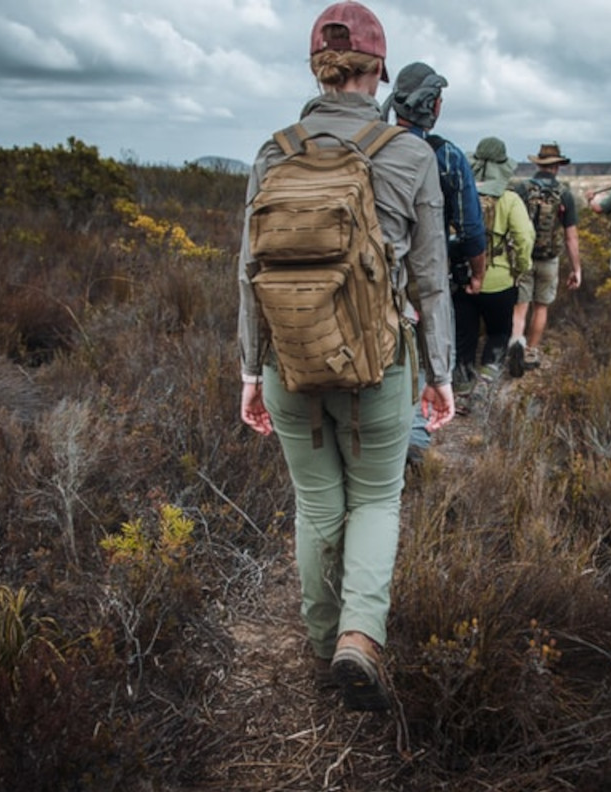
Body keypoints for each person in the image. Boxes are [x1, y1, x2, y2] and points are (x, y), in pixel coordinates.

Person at [238, 0, 455, 712]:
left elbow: (248, 273)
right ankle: (359, 639)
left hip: (287, 365)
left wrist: (249, 369)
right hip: (378, 364)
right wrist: (442, 372)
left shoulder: (273, 152)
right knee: (375, 498)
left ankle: (318, 635)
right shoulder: (409, 153)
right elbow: (430, 277)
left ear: (317, 67)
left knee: (316, 503)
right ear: (378, 70)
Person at [380, 61, 486, 464]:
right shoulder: (447, 157)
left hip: (374, 278)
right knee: (424, 362)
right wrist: (477, 273)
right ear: (434, 106)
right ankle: (413, 451)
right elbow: (472, 229)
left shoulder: (372, 147)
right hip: (425, 275)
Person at [457, 136, 535, 410]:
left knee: (464, 336)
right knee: (499, 332)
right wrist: (521, 268)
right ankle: (485, 382)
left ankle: (463, 390)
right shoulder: (511, 199)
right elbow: (525, 237)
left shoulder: (458, 195)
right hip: (500, 281)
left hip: (462, 277)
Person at [507, 142, 583, 377]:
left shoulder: (521, 189)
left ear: (538, 164)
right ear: (558, 166)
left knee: (520, 308)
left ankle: (514, 347)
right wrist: (576, 268)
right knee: (541, 307)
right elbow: (571, 237)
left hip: (523, 257)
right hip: (549, 259)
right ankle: (531, 351)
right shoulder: (565, 194)